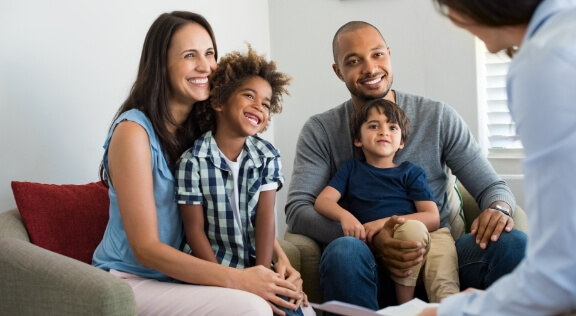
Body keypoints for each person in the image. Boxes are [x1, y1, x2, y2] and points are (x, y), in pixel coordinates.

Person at [285, 20, 527, 310]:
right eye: (354, 61)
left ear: (389, 54)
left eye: (377, 55)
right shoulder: (321, 130)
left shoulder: (436, 117)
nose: (370, 68)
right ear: (338, 72)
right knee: (343, 252)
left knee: (513, 244)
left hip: (439, 253)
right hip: (363, 259)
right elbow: (299, 209)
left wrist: (498, 209)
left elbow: (492, 187)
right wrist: (372, 237)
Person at [92, 11, 308, 315]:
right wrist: (240, 280)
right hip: (130, 279)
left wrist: (279, 263)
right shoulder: (133, 132)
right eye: (189, 55)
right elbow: (145, 249)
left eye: (209, 53)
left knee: (299, 306)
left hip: (183, 277)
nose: (205, 66)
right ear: (161, 64)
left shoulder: (205, 130)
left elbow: (243, 211)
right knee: (252, 308)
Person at [419, 0, 576, 315]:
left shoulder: (544, 61)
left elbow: (560, 274)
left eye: (449, 5)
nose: (452, 18)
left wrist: (455, 310)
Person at [174, 45, 305, 316]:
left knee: (292, 310)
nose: (259, 106)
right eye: (249, 95)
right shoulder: (192, 161)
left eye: (266, 104)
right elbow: (194, 231)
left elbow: (265, 218)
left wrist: (262, 277)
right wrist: (222, 281)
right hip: (209, 268)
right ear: (219, 101)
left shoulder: (267, 156)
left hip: (255, 266)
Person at [314, 98, 459, 304]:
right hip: (378, 252)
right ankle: (404, 307)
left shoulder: (411, 172)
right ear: (358, 139)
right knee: (409, 232)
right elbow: (323, 201)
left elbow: (432, 217)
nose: (384, 131)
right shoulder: (351, 169)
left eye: (392, 127)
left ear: (401, 142)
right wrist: (345, 216)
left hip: (426, 238)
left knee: (441, 272)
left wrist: (380, 223)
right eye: (374, 126)